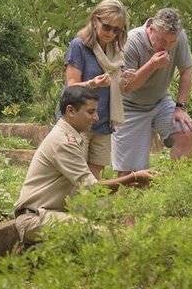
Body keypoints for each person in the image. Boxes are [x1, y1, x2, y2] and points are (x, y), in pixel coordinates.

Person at [14, 85, 153, 243]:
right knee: (110, 236)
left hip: (48, 214)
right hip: (35, 219)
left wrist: (122, 204)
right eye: (91, 112)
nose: (96, 118)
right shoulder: (63, 142)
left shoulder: (71, 137)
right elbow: (92, 188)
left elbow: (89, 193)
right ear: (71, 111)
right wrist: (133, 177)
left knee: (120, 215)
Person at [113, 7, 192, 175]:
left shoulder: (178, 37)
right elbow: (126, 88)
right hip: (129, 107)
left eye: (172, 42)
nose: (167, 46)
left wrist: (180, 107)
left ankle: (179, 188)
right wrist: (152, 65)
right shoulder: (131, 42)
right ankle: (131, 199)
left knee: (185, 131)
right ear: (151, 29)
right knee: (130, 173)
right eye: (163, 41)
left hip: (160, 101)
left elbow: (187, 71)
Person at [60, 0, 131, 179]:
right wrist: (93, 84)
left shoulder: (116, 52)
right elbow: (71, 88)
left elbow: (118, 88)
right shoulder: (79, 46)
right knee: (75, 175)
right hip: (78, 121)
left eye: (117, 30)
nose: (111, 33)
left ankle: (91, 207)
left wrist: (126, 79)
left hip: (103, 120)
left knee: (95, 175)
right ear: (94, 20)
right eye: (107, 27)